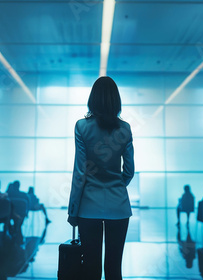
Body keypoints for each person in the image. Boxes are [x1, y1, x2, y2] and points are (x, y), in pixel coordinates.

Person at [67, 76, 134, 280]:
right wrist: (117, 186)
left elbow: (80, 173)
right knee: (114, 269)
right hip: (119, 207)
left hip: (88, 207)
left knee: (91, 269)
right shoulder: (125, 129)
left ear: (92, 99)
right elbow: (129, 170)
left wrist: (73, 210)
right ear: (116, 100)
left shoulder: (82, 127)